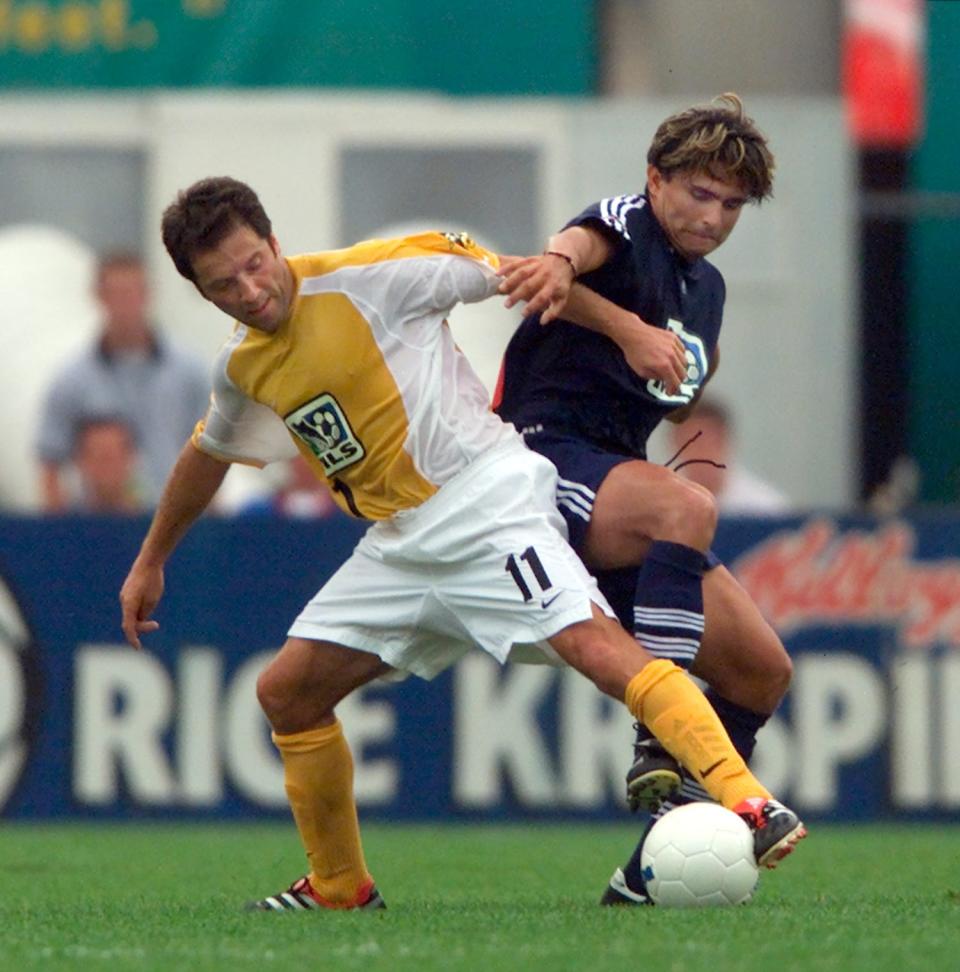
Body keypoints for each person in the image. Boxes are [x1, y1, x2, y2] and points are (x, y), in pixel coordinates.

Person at [119, 175, 804, 913]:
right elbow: (206, 454)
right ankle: (341, 887)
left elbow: (525, 276)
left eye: (255, 264)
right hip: (402, 546)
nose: (249, 291)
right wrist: (151, 558)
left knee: (598, 650)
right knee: (286, 693)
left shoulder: (375, 275)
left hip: (487, 501)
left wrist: (629, 329)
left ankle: (747, 802)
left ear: (275, 242)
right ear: (201, 291)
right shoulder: (241, 367)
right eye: (224, 285)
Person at [495, 94, 797, 905]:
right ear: (657, 181)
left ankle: (649, 873)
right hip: (537, 456)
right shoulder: (629, 225)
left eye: (731, 204)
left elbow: (691, 366)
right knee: (687, 506)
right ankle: (660, 734)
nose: (714, 216)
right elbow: (572, 252)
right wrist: (594, 298)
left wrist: (673, 360)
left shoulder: (709, 291)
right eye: (699, 193)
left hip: (613, 478)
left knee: (763, 672)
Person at [35, 252, 210, 510]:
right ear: (98, 297)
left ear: (148, 294)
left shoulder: (190, 374)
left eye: (132, 292)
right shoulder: (71, 381)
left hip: (174, 522)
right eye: (116, 294)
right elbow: (50, 462)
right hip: (98, 527)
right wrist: (60, 535)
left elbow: (212, 456)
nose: (125, 304)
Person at [664, 396, 792, 515]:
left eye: (706, 442)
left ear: (725, 440)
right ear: (674, 444)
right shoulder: (661, 504)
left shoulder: (767, 509)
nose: (698, 452)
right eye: (688, 443)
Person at [71, 416, 143, 513]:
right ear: (80, 460)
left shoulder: (153, 521)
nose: (106, 466)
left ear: (131, 458)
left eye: (113, 456)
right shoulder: (62, 522)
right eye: (98, 456)